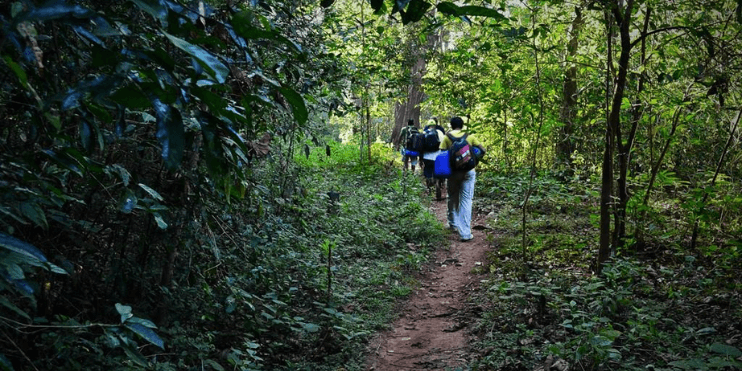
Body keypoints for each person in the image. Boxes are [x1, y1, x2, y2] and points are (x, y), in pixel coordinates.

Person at [439, 116, 486, 242]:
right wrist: (473, 160)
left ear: (451, 125)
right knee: (466, 200)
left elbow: (442, 154)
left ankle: (453, 224)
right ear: (462, 125)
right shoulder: (469, 136)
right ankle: (465, 233)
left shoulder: (446, 137)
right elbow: (483, 150)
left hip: (453, 173)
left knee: (452, 197)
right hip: (469, 172)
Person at [421, 120, 445, 200]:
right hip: (437, 155)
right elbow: (443, 144)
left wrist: (420, 159)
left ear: (428, 125)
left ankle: (430, 190)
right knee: (437, 172)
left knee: (427, 172)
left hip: (426, 157)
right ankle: (437, 182)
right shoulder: (439, 132)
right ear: (435, 125)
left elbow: (420, 147)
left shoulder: (424, 133)